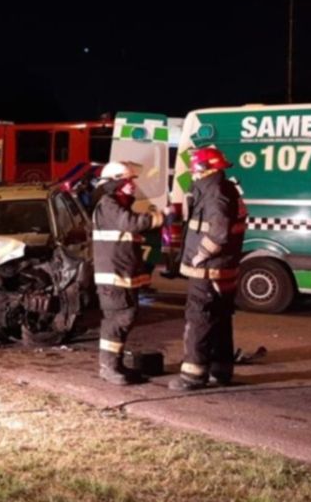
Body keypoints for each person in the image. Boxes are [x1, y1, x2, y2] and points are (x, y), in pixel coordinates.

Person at [170, 146, 247, 391]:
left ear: (202, 168)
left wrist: (199, 256)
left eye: (194, 167)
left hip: (207, 270)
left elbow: (219, 232)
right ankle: (221, 371)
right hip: (222, 268)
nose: (192, 172)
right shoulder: (223, 188)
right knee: (220, 319)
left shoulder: (214, 192)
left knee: (199, 319)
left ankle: (193, 375)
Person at [90, 162, 165, 385]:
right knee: (118, 319)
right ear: (116, 183)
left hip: (121, 274)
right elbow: (129, 224)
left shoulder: (118, 205)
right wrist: (160, 217)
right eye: (127, 181)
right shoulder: (109, 204)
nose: (132, 185)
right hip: (113, 277)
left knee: (125, 317)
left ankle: (115, 364)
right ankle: (108, 367)